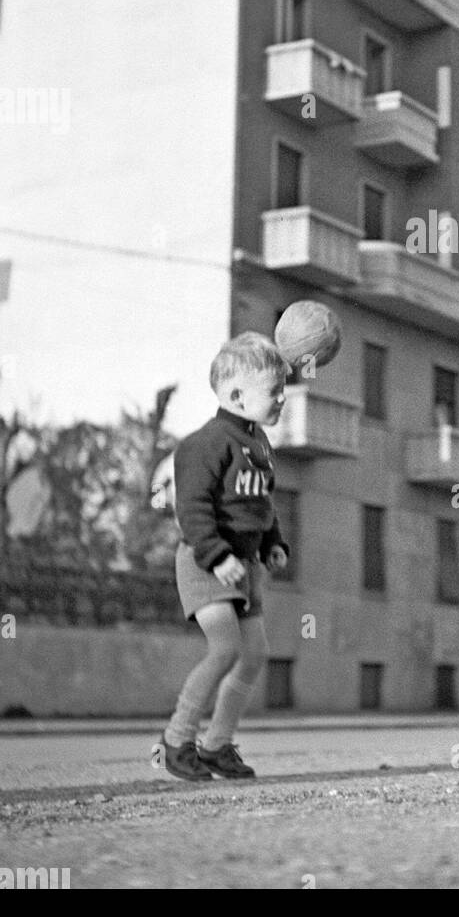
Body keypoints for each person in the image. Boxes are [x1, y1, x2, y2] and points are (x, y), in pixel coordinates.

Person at [158, 333, 290, 782]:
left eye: (282, 390)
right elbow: (190, 509)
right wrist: (216, 556)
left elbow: (261, 505)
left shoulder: (260, 446)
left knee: (254, 654)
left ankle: (216, 746)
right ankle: (177, 741)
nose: (282, 399)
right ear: (236, 395)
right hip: (205, 561)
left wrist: (273, 542)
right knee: (225, 648)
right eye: (273, 391)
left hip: (246, 565)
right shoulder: (205, 443)